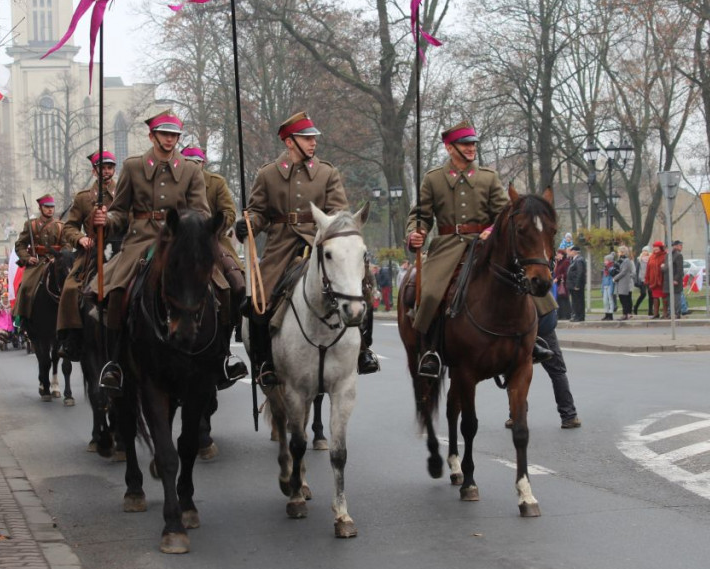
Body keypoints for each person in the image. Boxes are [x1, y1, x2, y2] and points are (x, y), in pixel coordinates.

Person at [235, 111, 377, 387]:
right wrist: (248, 223)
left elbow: (339, 212)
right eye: (306, 138)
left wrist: (337, 230)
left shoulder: (326, 172)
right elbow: (258, 212)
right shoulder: (268, 174)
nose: (313, 143)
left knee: (361, 286)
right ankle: (264, 361)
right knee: (259, 301)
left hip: (320, 242)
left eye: (314, 138)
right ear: (290, 142)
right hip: (281, 246)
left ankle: (363, 351)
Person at [91, 109, 210, 391]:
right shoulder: (133, 168)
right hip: (141, 240)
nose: (170, 140)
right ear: (152, 135)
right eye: (165, 134)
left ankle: (218, 356)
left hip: (180, 241)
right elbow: (120, 212)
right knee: (117, 289)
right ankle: (115, 363)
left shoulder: (192, 170)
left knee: (223, 285)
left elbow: (202, 211)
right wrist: (105, 220)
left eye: (175, 135)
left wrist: (194, 231)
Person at [404, 119, 509, 378]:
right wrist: (415, 233)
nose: (471, 148)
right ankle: (431, 351)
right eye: (465, 143)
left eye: (473, 143)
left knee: (522, 281)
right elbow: (421, 216)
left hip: (486, 245)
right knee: (429, 294)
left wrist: (492, 230)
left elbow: (506, 213)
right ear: (450, 148)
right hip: (448, 246)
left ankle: (535, 339)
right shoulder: (434, 179)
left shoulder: (488, 177)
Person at [180, 145, 248, 383]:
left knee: (237, 284)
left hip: (213, 241)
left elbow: (229, 211)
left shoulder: (216, 183)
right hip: (179, 241)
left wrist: (213, 227)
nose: (192, 166)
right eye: (187, 161)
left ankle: (226, 347)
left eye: (196, 162)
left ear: (203, 164)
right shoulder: (174, 181)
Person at [56, 150, 117, 361]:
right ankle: (72, 338)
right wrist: (80, 239)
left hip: (121, 249)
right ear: (94, 171)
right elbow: (69, 227)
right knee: (71, 288)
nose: (107, 171)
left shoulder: (125, 192)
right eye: (102, 168)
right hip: (92, 251)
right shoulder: (83, 198)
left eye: (110, 167)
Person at [507, 292, 581, 430]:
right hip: (537, 319)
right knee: (557, 372)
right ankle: (569, 415)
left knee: (514, 373)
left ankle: (516, 416)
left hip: (531, 321)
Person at [13, 194, 67, 328]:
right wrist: (27, 258)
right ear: (40, 207)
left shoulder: (61, 226)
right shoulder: (31, 225)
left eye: (52, 207)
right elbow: (20, 245)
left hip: (57, 262)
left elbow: (67, 245)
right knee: (25, 286)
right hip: (38, 262)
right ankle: (23, 318)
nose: (50, 210)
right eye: (47, 207)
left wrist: (59, 257)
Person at [645, 241, 668, 319]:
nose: (655, 249)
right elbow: (648, 268)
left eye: (657, 247)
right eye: (654, 247)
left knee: (664, 297)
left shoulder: (665, 256)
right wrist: (647, 279)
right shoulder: (651, 257)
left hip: (662, 280)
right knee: (655, 297)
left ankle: (665, 313)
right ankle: (656, 313)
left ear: (660, 248)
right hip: (653, 280)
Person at [565, 245, 587, 322]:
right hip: (572, 284)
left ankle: (579, 316)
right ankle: (576, 316)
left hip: (576, 285)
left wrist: (577, 285)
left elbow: (580, 273)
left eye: (570, 251)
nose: (569, 253)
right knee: (575, 301)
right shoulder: (574, 260)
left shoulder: (579, 260)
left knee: (578, 301)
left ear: (574, 252)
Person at [613, 245, 635, 320]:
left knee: (624, 299)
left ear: (622, 252)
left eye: (619, 252)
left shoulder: (627, 261)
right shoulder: (620, 260)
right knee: (622, 298)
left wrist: (615, 278)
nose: (618, 253)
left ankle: (625, 314)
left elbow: (624, 272)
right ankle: (625, 313)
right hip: (620, 282)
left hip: (624, 282)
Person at [553, 248, 571, 320]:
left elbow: (565, 273)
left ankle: (566, 315)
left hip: (563, 283)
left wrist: (558, 278)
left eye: (558, 254)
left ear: (562, 255)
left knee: (564, 299)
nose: (557, 255)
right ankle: (560, 314)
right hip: (558, 283)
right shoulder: (559, 262)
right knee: (559, 299)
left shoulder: (566, 262)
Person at [633, 246, 650, 316]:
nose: (644, 252)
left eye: (646, 251)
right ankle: (636, 307)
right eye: (643, 251)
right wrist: (637, 279)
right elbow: (636, 270)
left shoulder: (650, 259)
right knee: (643, 294)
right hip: (642, 279)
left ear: (648, 252)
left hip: (649, 279)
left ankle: (650, 310)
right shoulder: (639, 259)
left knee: (651, 294)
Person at [671, 240, 685, 317]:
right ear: (675, 246)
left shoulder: (678, 255)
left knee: (677, 296)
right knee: (674, 296)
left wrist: (676, 279)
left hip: (676, 279)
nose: (681, 247)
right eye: (680, 245)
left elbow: (680, 269)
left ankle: (677, 312)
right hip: (673, 278)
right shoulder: (674, 255)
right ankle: (675, 311)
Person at [600, 253, 615, 321]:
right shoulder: (605, 269)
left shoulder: (612, 268)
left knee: (610, 300)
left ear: (609, 261)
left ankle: (610, 314)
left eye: (606, 260)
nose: (604, 262)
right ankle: (606, 313)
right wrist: (602, 288)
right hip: (605, 286)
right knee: (605, 301)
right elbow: (603, 279)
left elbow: (612, 278)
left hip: (609, 286)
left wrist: (611, 289)